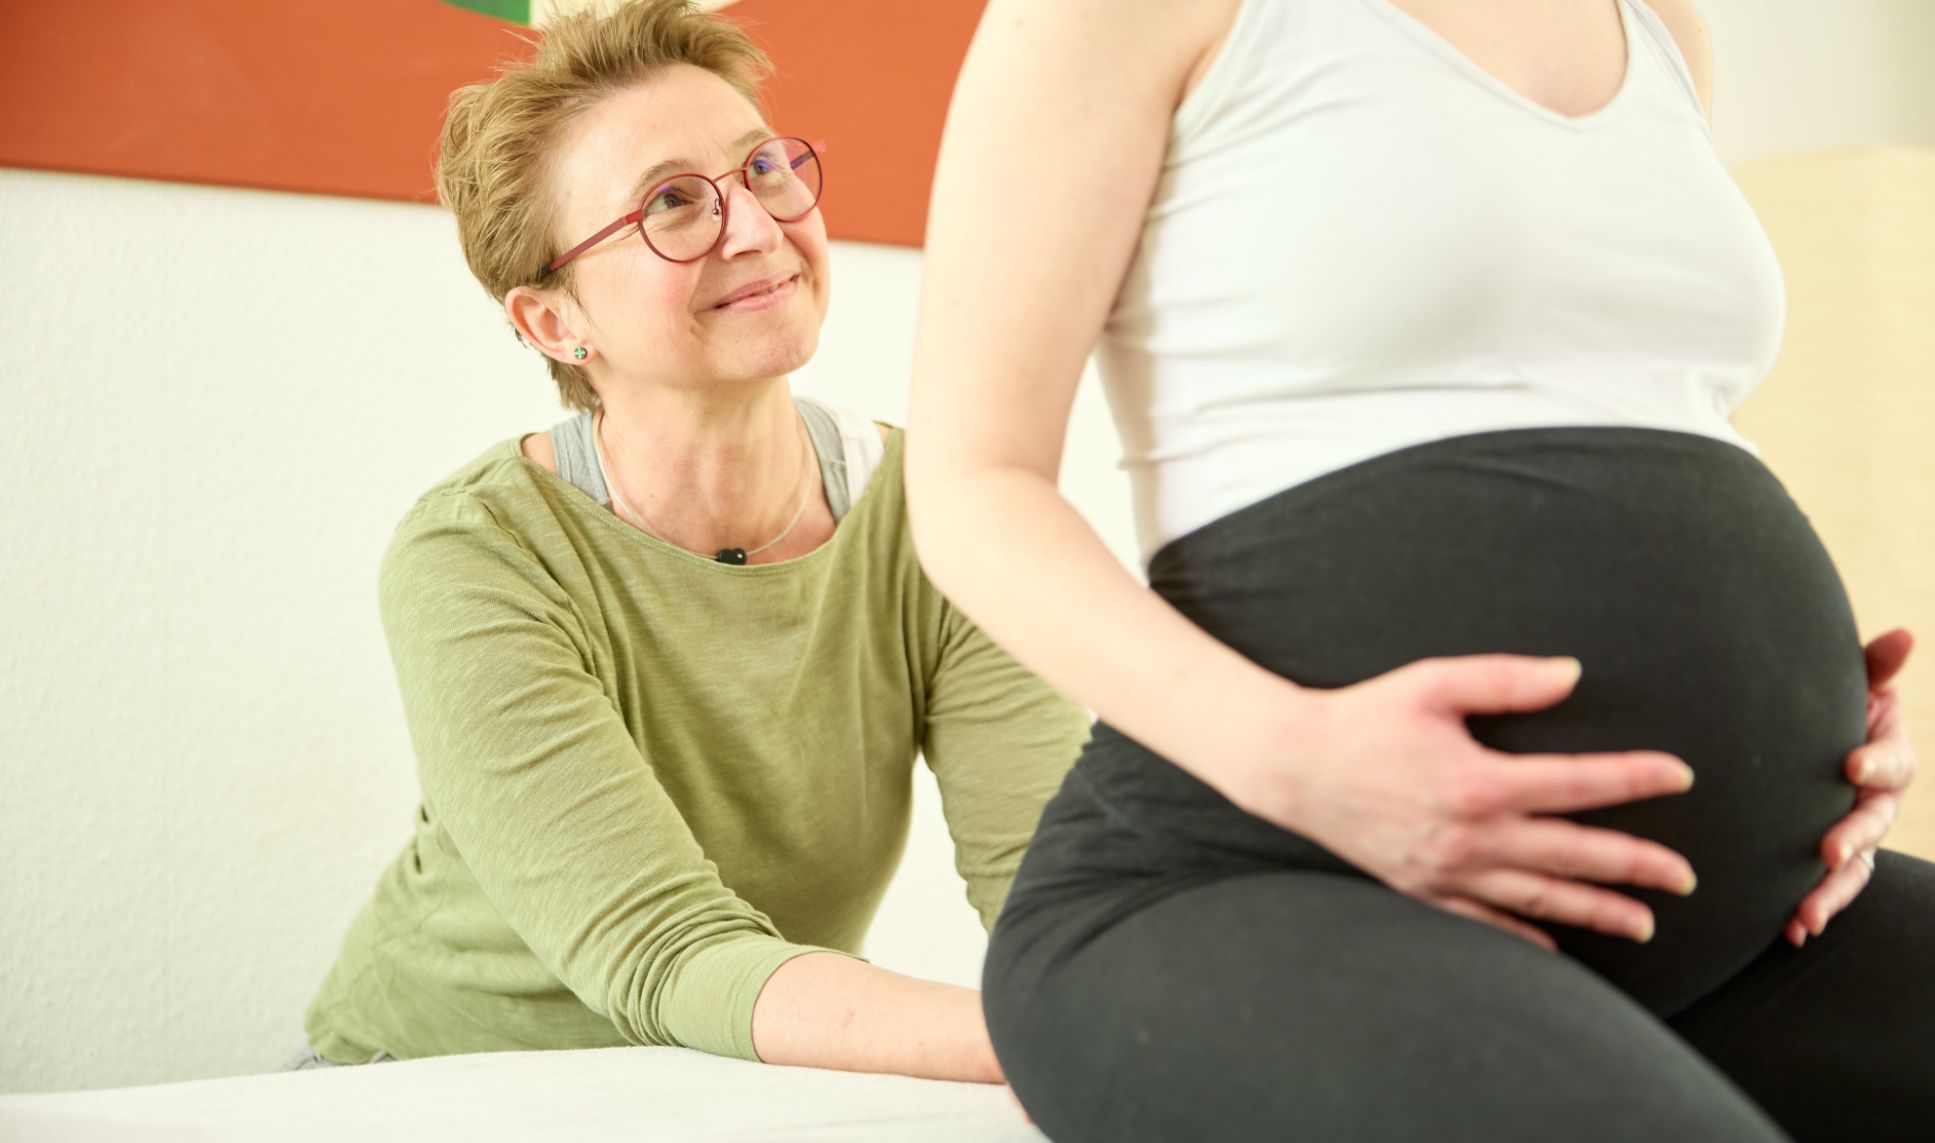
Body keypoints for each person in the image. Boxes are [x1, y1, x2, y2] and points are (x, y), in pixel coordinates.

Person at [905, 0, 1931, 1138]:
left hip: (1724, 924)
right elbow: (973, 488)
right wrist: (1290, 757)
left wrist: (1810, 722)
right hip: (1257, 878)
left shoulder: (1654, 18)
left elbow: (1634, 395)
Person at [298, 0, 1089, 1080]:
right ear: (553, 321)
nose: (758, 227)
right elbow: (669, 954)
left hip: (732, 1087)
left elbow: (1061, 888)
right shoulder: (476, 556)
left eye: (762, 169)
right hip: (431, 1083)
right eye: (671, 204)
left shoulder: (936, 511)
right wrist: (1061, 1039)